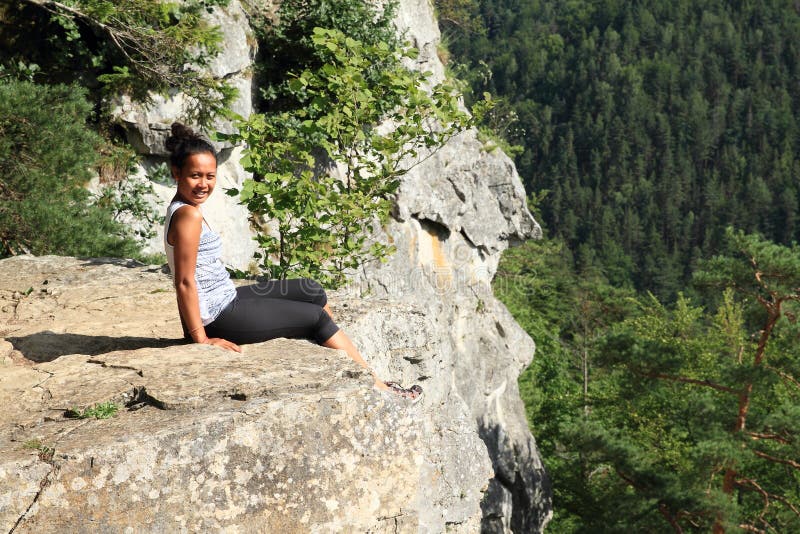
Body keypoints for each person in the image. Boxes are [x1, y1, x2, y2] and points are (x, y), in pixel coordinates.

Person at [163, 122, 421, 401]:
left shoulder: (186, 209)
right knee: (317, 318)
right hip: (218, 317)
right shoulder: (189, 216)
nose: (204, 184)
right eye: (195, 176)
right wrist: (200, 338)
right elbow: (185, 281)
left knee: (311, 290)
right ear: (177, 174)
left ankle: (336, 360)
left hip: (223, 300)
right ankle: (378, 388)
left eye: (210, 176)